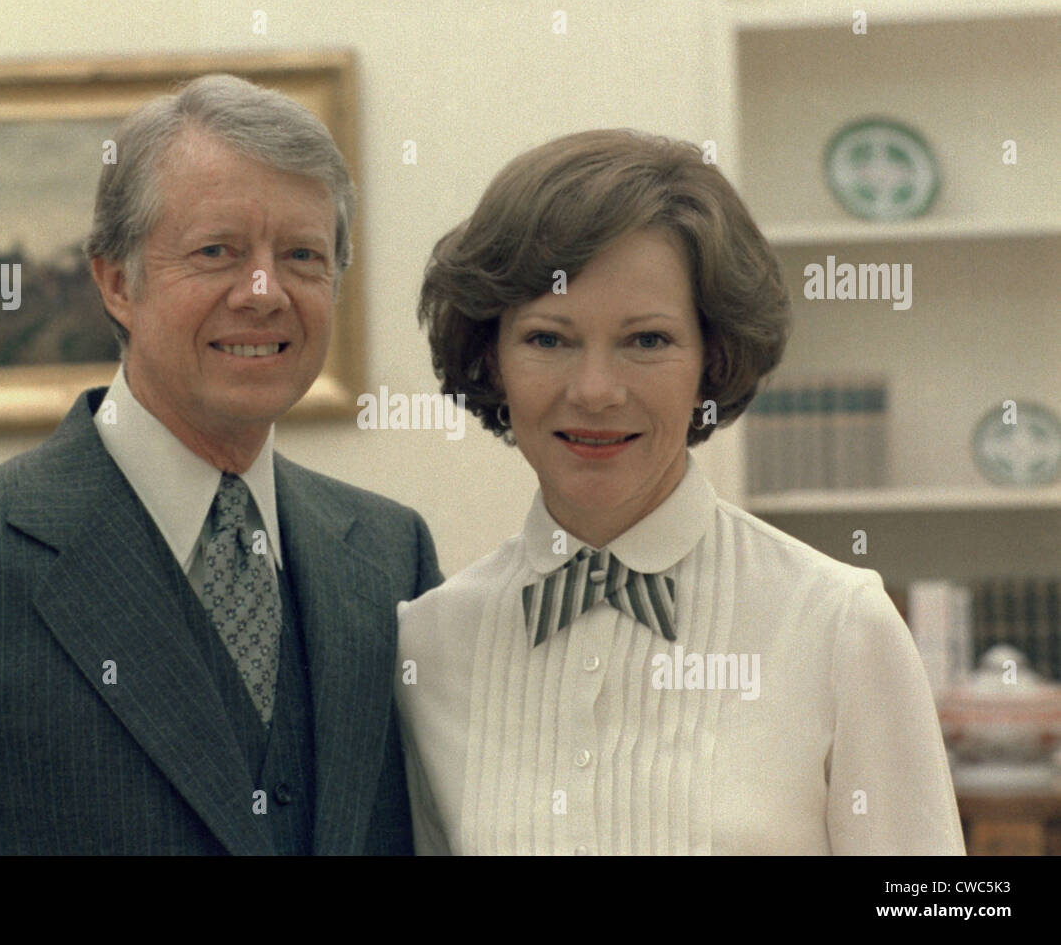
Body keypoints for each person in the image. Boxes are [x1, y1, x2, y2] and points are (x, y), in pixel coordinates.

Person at [0, 74, 441, 855]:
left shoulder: (389, 556)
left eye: (301, 255)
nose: (264, 293)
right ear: (118, 282)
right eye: (218, 251)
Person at [397, 129, 964, 855]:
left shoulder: (838, 625)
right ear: (490, 358)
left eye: (648, 341)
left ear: (713, 358)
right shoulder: (430, 644)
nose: (595, 391)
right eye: (547, 339)